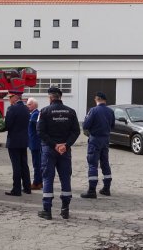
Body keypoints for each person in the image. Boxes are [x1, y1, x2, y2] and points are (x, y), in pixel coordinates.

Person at [37, 87, 80, 220]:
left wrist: (54, 145)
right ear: (60, 97)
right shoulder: (71, 112)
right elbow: (76, 131)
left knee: (48, 178)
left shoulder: (44, 112)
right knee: (65, 178)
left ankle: (47, 210)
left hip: (49, 150)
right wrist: (65, 145)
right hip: (64, 151)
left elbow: (40, 132)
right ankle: (65, 210)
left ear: (50, 97)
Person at [81, 92, 115, 199]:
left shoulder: (93, 110)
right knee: (105, 162)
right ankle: (106, 188)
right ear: (105, 100)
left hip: (95, 139)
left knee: (93, 164)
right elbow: (112, 126)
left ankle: (92, 190)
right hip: (105, 139)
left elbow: (86, 125)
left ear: (97, 99)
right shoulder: (110, 111)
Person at [4, 90, 32, 196]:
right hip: (24, 140)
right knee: (24, 164)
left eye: (10, 97)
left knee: (16, 166)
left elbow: (7, 125)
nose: (9, 99)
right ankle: (27, 187)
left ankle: (16, 189)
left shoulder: (11, 108)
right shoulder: (26, 108)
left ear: (15, 97)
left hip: (14, 141)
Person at [27, 97, 42, 190]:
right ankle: (39, 182)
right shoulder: (33, 113)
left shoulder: (35, 114)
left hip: (36, 143)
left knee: (37, 164)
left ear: (34, 105)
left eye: (29, 104)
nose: (27, 106)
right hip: (34, 142)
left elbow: (38, 128)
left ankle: (37, 183)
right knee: (37, 163)